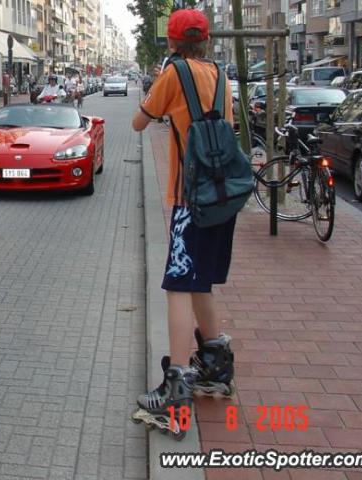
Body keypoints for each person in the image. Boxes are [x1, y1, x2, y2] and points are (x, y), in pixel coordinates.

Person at [131, 9, 236, 435]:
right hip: (222, 196)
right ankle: (215, 365)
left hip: (188, 196)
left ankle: (175, 389)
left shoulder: (173, 74)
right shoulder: (221, 75)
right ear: (206, 40)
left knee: (177, 284)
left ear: (172, 41)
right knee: (199, 281)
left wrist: (164, 92)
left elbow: (139, 121)